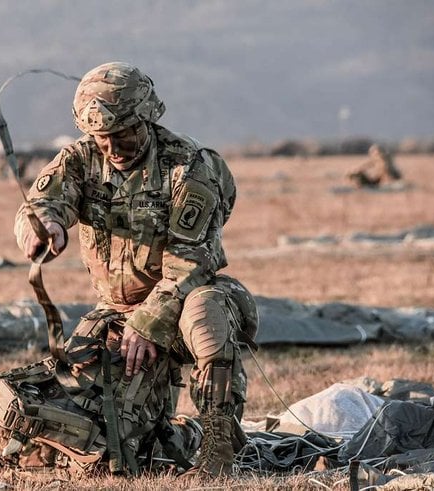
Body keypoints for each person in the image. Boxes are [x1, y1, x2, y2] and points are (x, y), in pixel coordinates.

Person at [14, 62, 258, 476]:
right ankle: (160, 431)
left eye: (121, 133)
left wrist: (147, 323)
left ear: (147, 118)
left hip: (184, 307)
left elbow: (190, 264)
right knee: (98, 420)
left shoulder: (188, 167)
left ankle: (219, 443)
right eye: (101, 137)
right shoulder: (80, 158)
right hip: (116, 311)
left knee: (206, 307)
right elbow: (42, 203)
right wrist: (42, 227)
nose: (110, 146)